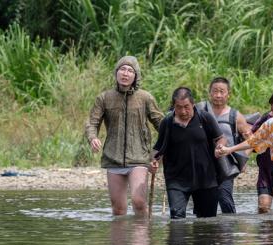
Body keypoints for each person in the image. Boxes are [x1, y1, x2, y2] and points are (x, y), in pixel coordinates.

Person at [85, 55, 163, 216]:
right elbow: (92, 123)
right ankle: (119, 241)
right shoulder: (104, 98)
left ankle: (141, 240)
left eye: (130, 70)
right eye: (122, 69)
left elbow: (162, 125)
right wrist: (93, 138)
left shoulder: (145, 98)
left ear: (136, 76)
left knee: (139, 202)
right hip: (113, 157)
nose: (125, 74)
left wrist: (160, 152)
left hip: (140, 157)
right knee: (118, 209)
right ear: (116, 73)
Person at [150, 87, 227, 219]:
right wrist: (152, 161)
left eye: (186, 107)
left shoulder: (205, 117)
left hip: (206, 179)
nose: (183, 111)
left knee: (206, 223)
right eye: (179, 107)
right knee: (177, 218)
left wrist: (220, 147)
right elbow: (158, 148)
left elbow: (220, 138)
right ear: (174, 106)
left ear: (193, 104)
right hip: (176, 179)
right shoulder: (167, 123)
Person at [197, 77, 251, 214]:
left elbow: (251, 141)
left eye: (222, 91)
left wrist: (244, 158)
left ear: (229, 94)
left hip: (225, 165)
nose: (218, 95)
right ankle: (205, 233)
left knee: (225, 198)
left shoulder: (235, 116)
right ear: (209, 93)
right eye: (215, 91)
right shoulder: (199, 109)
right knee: (203, 202)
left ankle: (229, 232)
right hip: (201, 165)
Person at [250, 89, 273, 213]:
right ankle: (266, 231)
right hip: (266, 171)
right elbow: (251, 139)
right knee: (263, 207)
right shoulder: (265, 119)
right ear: (271, 106)